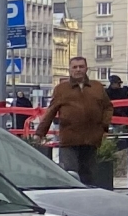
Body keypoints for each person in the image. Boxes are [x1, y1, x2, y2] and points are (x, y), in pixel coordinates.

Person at [32, 55, 115, 187]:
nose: (78, 70)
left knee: (89, 175)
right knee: (70, 174)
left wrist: (104, 127)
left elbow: (108, 107)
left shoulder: (97, 87)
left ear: (86, 68)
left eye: (81, 67)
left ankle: (89, 202)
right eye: (75, 67)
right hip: (69, 139)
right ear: (69, 70)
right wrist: (40, 133)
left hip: (91, 139)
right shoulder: (61, 89)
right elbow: (51, 111)